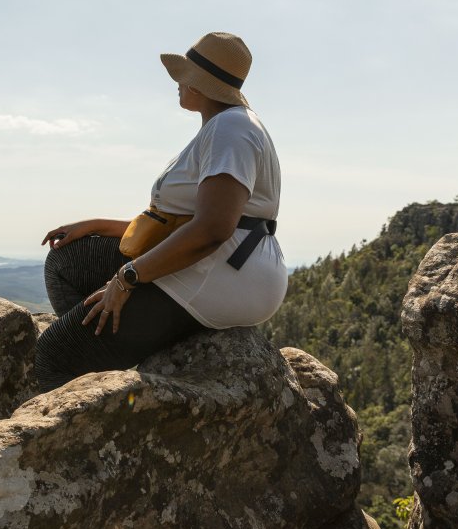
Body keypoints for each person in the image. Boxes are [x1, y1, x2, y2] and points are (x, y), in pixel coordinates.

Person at [34, 31, 286, 392]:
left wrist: (126, 279)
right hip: (219, 265)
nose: (178, 83)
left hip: (222, 273)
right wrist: (96, 225)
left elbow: (213, 228)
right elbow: (176, 222)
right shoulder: (225, 126)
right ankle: (105, 347)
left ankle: (88, 377)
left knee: (52, 356)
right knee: (68, 261)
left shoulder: (232, 128)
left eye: (183, 76)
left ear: (201, 84)